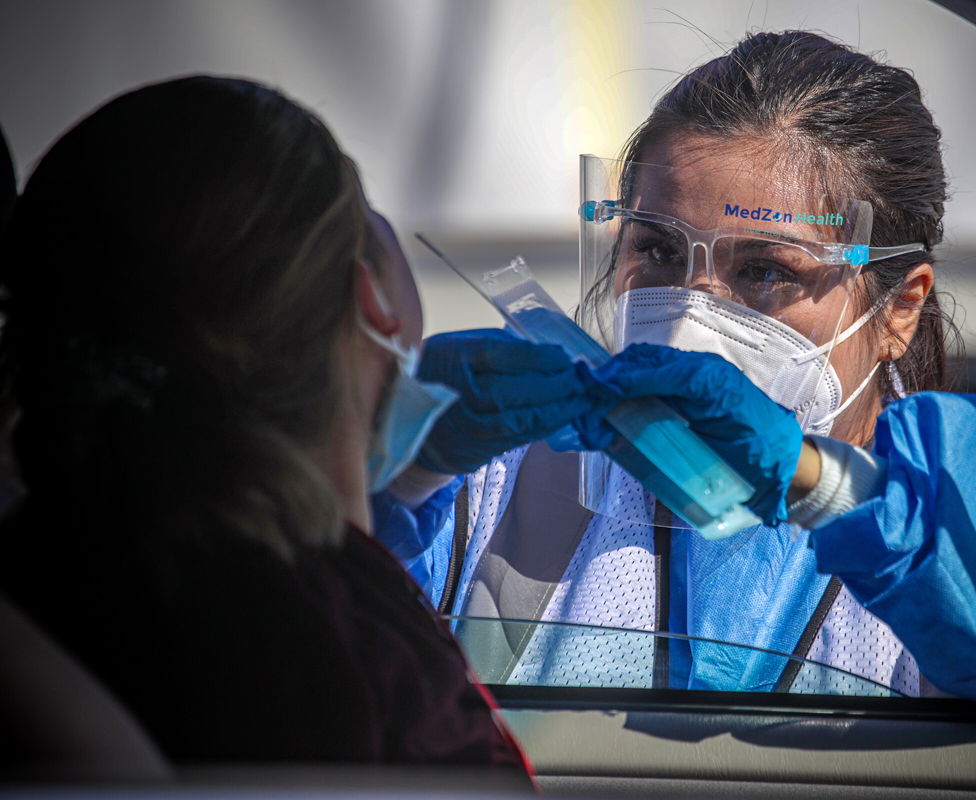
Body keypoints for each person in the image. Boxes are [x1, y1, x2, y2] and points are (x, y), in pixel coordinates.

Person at [379, 31, 976, 716]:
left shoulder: (961, 526)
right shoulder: (489, 496)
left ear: (899, 308)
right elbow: (302, 641)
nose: (687, 323)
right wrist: (391, 469)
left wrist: (820, 486)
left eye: (765, 271)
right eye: (656, 250)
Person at [0, 75, 609, 773]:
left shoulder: (42, 566)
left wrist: (403, 488)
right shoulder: (332, 650)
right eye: (375, 223)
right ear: (372, 299)